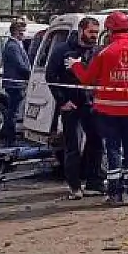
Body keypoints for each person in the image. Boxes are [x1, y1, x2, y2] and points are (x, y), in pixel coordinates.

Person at [66, 11, 128, 207]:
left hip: (108, 112)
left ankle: (114, 194)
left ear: (109, 29)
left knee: (113, 149)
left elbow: (87, 79)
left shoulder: (104, 53)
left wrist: (76, 66)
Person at [46, 17, 105, 199]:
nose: (94, 36)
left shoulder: (97, 51)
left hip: (91, 104)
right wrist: (62, 101)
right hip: (70, 105)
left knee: (96, 143)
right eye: (91, 32)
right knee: (73, 146)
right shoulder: (62, 50)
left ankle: (93, 183)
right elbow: (50, 76)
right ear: (81, 31)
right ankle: (74, 186)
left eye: (96, 33)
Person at [1, 20, 31, 145]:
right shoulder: (13, 46)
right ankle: (10, 139)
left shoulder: (16, 44)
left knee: (13, 111)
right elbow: (20, 65)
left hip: (16, 83)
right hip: (15, 83)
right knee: (13, 112)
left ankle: (10, 138)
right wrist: (31, 74)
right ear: (17, 32)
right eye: (23, 31)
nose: (24, 34)